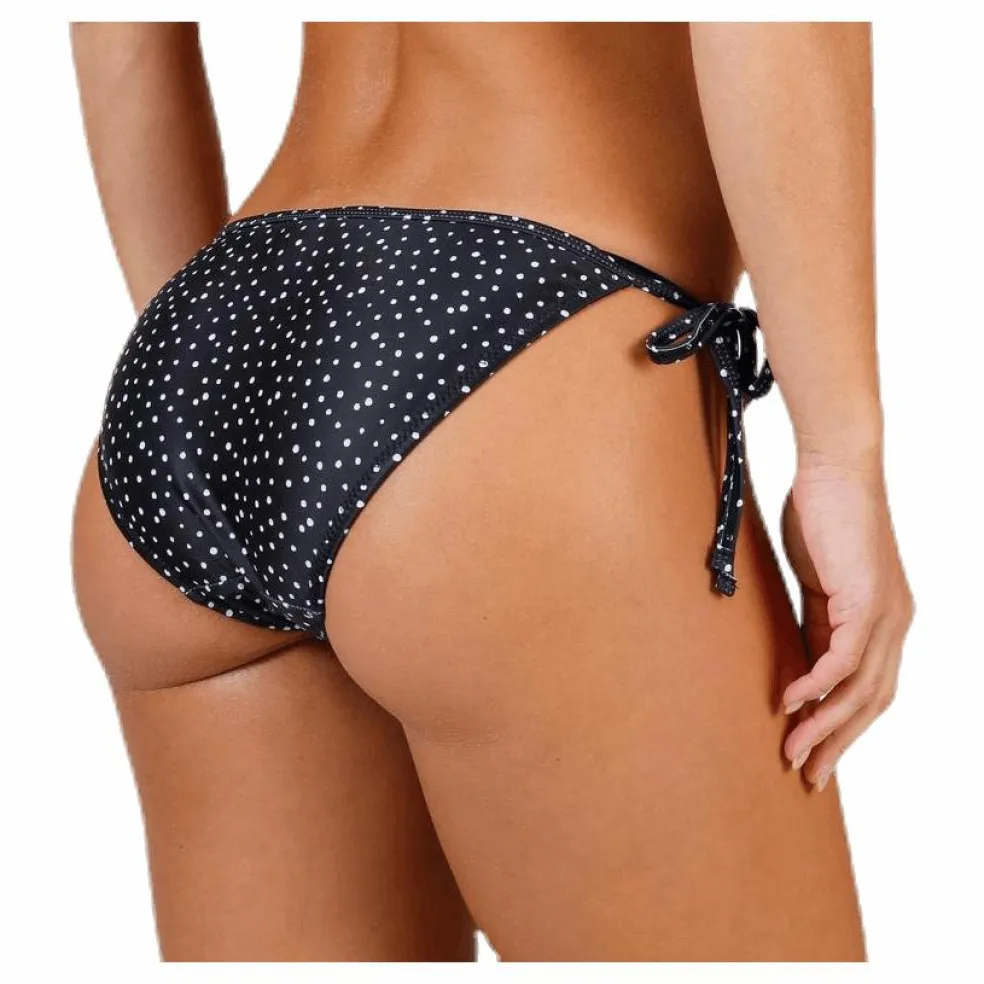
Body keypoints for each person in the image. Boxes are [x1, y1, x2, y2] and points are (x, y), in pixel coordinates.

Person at [69, 22, 913, 961]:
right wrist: (840, 456)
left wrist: (224, 372)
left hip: (214, 339)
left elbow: (117, 27)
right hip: (522, 327)